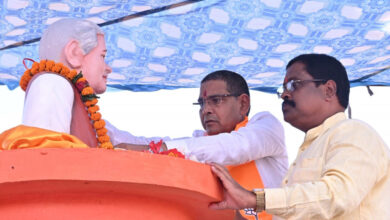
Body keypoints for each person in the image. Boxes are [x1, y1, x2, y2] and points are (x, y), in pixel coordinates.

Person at [209, 54, 390, 219]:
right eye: (284, 88)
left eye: (294, 84)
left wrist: (253, 198)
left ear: (329, 90)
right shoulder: (310, 149)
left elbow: (337, 196)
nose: (285, 94)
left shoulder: (354, 131)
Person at [111, 70, 288, 220]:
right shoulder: (199, 143)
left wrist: (161, 150)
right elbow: (140, 143)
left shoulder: (265, 127)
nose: (206, 110)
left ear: (243, 104)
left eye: (216, 100)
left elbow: (234, 148)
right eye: (202, 103)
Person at [0, 18, 113, 149]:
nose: (108, 68)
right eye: (102, 56)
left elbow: (117, 137)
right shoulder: (52, 82)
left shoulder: (87, 114)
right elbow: (45, 153)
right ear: (74, 52)